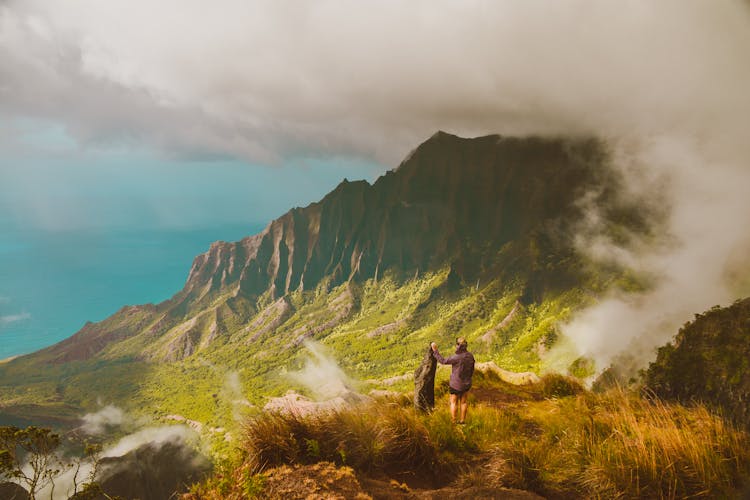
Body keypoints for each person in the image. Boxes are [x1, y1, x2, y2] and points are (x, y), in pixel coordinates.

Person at [431, 338, 475, 424]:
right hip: (467, 383)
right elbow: (472, 369)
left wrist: (435, 351)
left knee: (453, 402)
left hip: (456, 384)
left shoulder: (456, 357)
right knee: (464, 402)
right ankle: (462, 421)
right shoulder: (470, 356)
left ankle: (454, 421)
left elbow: (443, 361)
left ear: (458, 346)